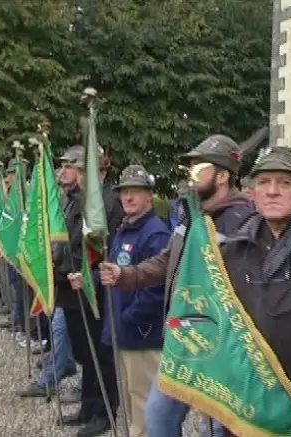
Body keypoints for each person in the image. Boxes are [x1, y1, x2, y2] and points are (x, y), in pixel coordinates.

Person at [97, 134, 254, 437]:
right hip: (181, 340)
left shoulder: (244, 222)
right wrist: (125, 275)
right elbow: (166, 260)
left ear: (223, 176)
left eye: (199, 168)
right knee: (157, 416)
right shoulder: (192, 217)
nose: (190, 176)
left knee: (219, 427)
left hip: (220, 349)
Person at [222, 146, 291, 431]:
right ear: (252, 193)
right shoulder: (232, 250)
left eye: (285, 183)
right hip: (247, 403)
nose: (272, 191)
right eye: (264, 182)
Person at [71, 164, 170, 437]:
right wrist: (88, 278)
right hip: (121, 332)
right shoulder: (126, 229)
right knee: (128, 400)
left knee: (144, 404)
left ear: (149, 196)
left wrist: (126, 320)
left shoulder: (155, 233)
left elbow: (156, 289)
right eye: (124, 192)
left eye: (135, 192)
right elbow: (112, 271)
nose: (128, 198)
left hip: (140, 336)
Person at [55, 145, 124, 437]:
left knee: (100, 354)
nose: (82, 177)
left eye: (87, 171)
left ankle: (103, 412)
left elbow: (107, 248)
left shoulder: (107, 203)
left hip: (92, 289)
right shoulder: (75, 200)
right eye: (81, 171)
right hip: (70, 287)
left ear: (103, 173)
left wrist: (89, 276)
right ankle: (87, 405)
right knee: (84, 353)